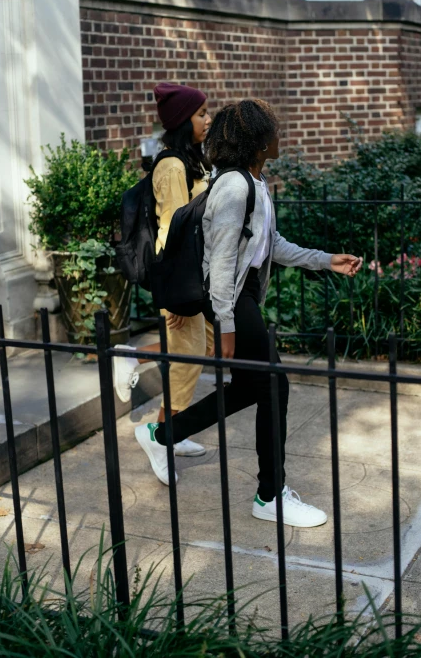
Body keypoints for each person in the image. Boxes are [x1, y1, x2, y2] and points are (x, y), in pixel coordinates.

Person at [135, 99, 362, 527]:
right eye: (274, 130)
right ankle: (269, 495)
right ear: (257, 141)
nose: (280, 136)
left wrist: (325, 259)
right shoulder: (235, 187)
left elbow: (269, 244)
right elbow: (219, 265)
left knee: (248, 389)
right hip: (230, 301)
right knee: (274, 385)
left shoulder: (255, 183)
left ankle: (161, 435)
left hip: (242, 299)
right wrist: (226, 329)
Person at [120, 83, 215, 476]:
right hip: (180, 280)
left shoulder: (189, 160)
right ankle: (158, 436)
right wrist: (174, 297)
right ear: (183, 121)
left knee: (198, 349)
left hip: (195, 276)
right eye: (201, 115)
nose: (208, 120)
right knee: (187, 359)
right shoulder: (173, 166)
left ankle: (170, 429)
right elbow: (172, 232)